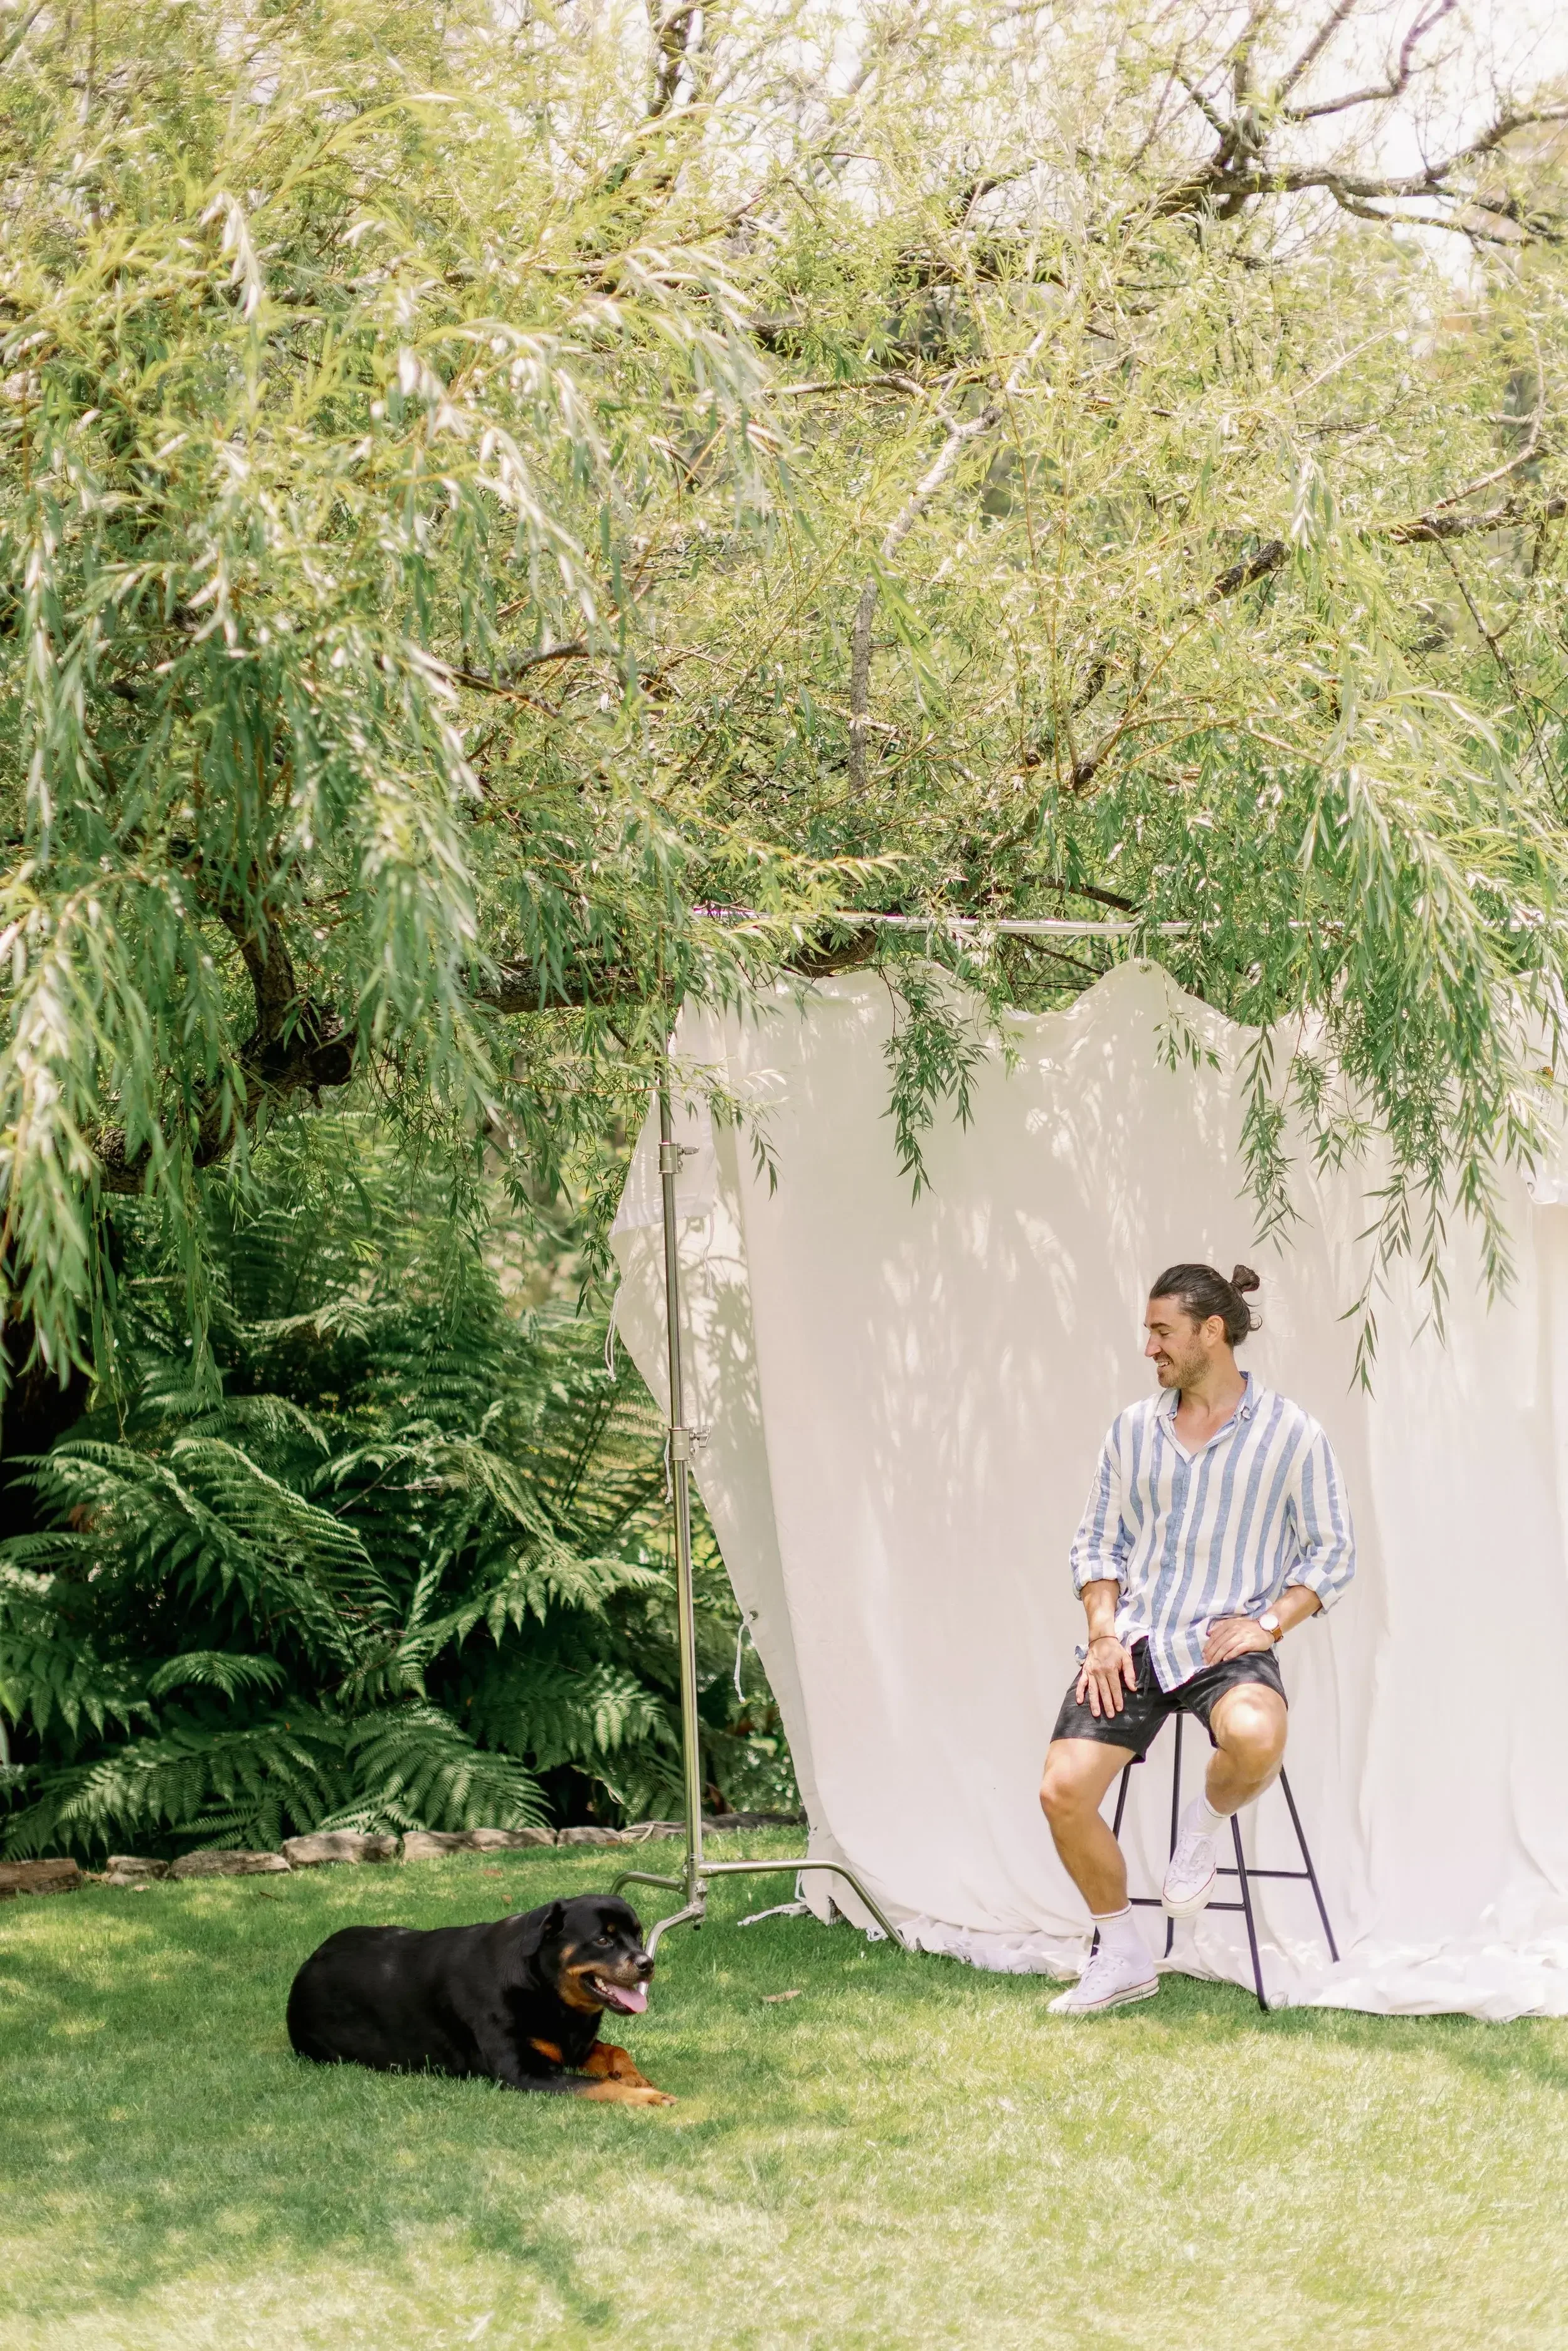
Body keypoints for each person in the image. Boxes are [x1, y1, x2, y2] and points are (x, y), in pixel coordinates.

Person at [1038, 1262, 1355, 2016]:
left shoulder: (1289, 1433)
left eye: (1161, 1331)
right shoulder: (1131, 1429)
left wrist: (1268, 1622)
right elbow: (1097, 1546)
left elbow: (1331, 1552)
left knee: (1254, 1739)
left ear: (1211, 1332)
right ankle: (1120, 1955)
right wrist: (1103, 1634)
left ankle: (1200, 1827)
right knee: (1062, 1791)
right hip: (1137, 1640)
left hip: (1223, 1643)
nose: (1149, 1347)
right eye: (1150, 1332)